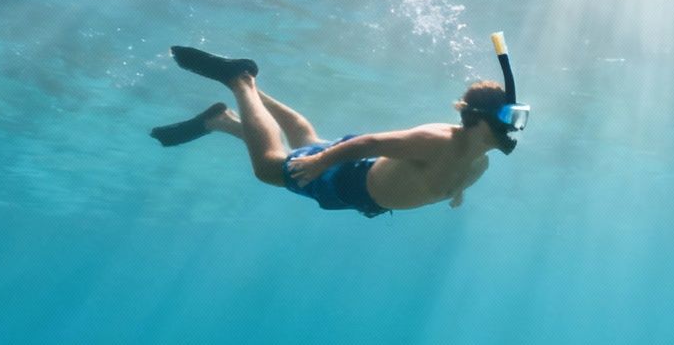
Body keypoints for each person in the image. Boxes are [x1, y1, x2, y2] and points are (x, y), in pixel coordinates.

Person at [151, 45, 526, 217]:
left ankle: (226, 117)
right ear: (478, 121)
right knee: (269, 167)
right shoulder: (438, 140)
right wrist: (320, 163)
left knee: (304, 139)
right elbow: (371, 143)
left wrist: (455, 191)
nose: (515, 131)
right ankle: (240, 82)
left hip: (358, 190)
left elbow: (452, 178)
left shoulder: (480, 163)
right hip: (345, 176)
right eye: (510, 121)